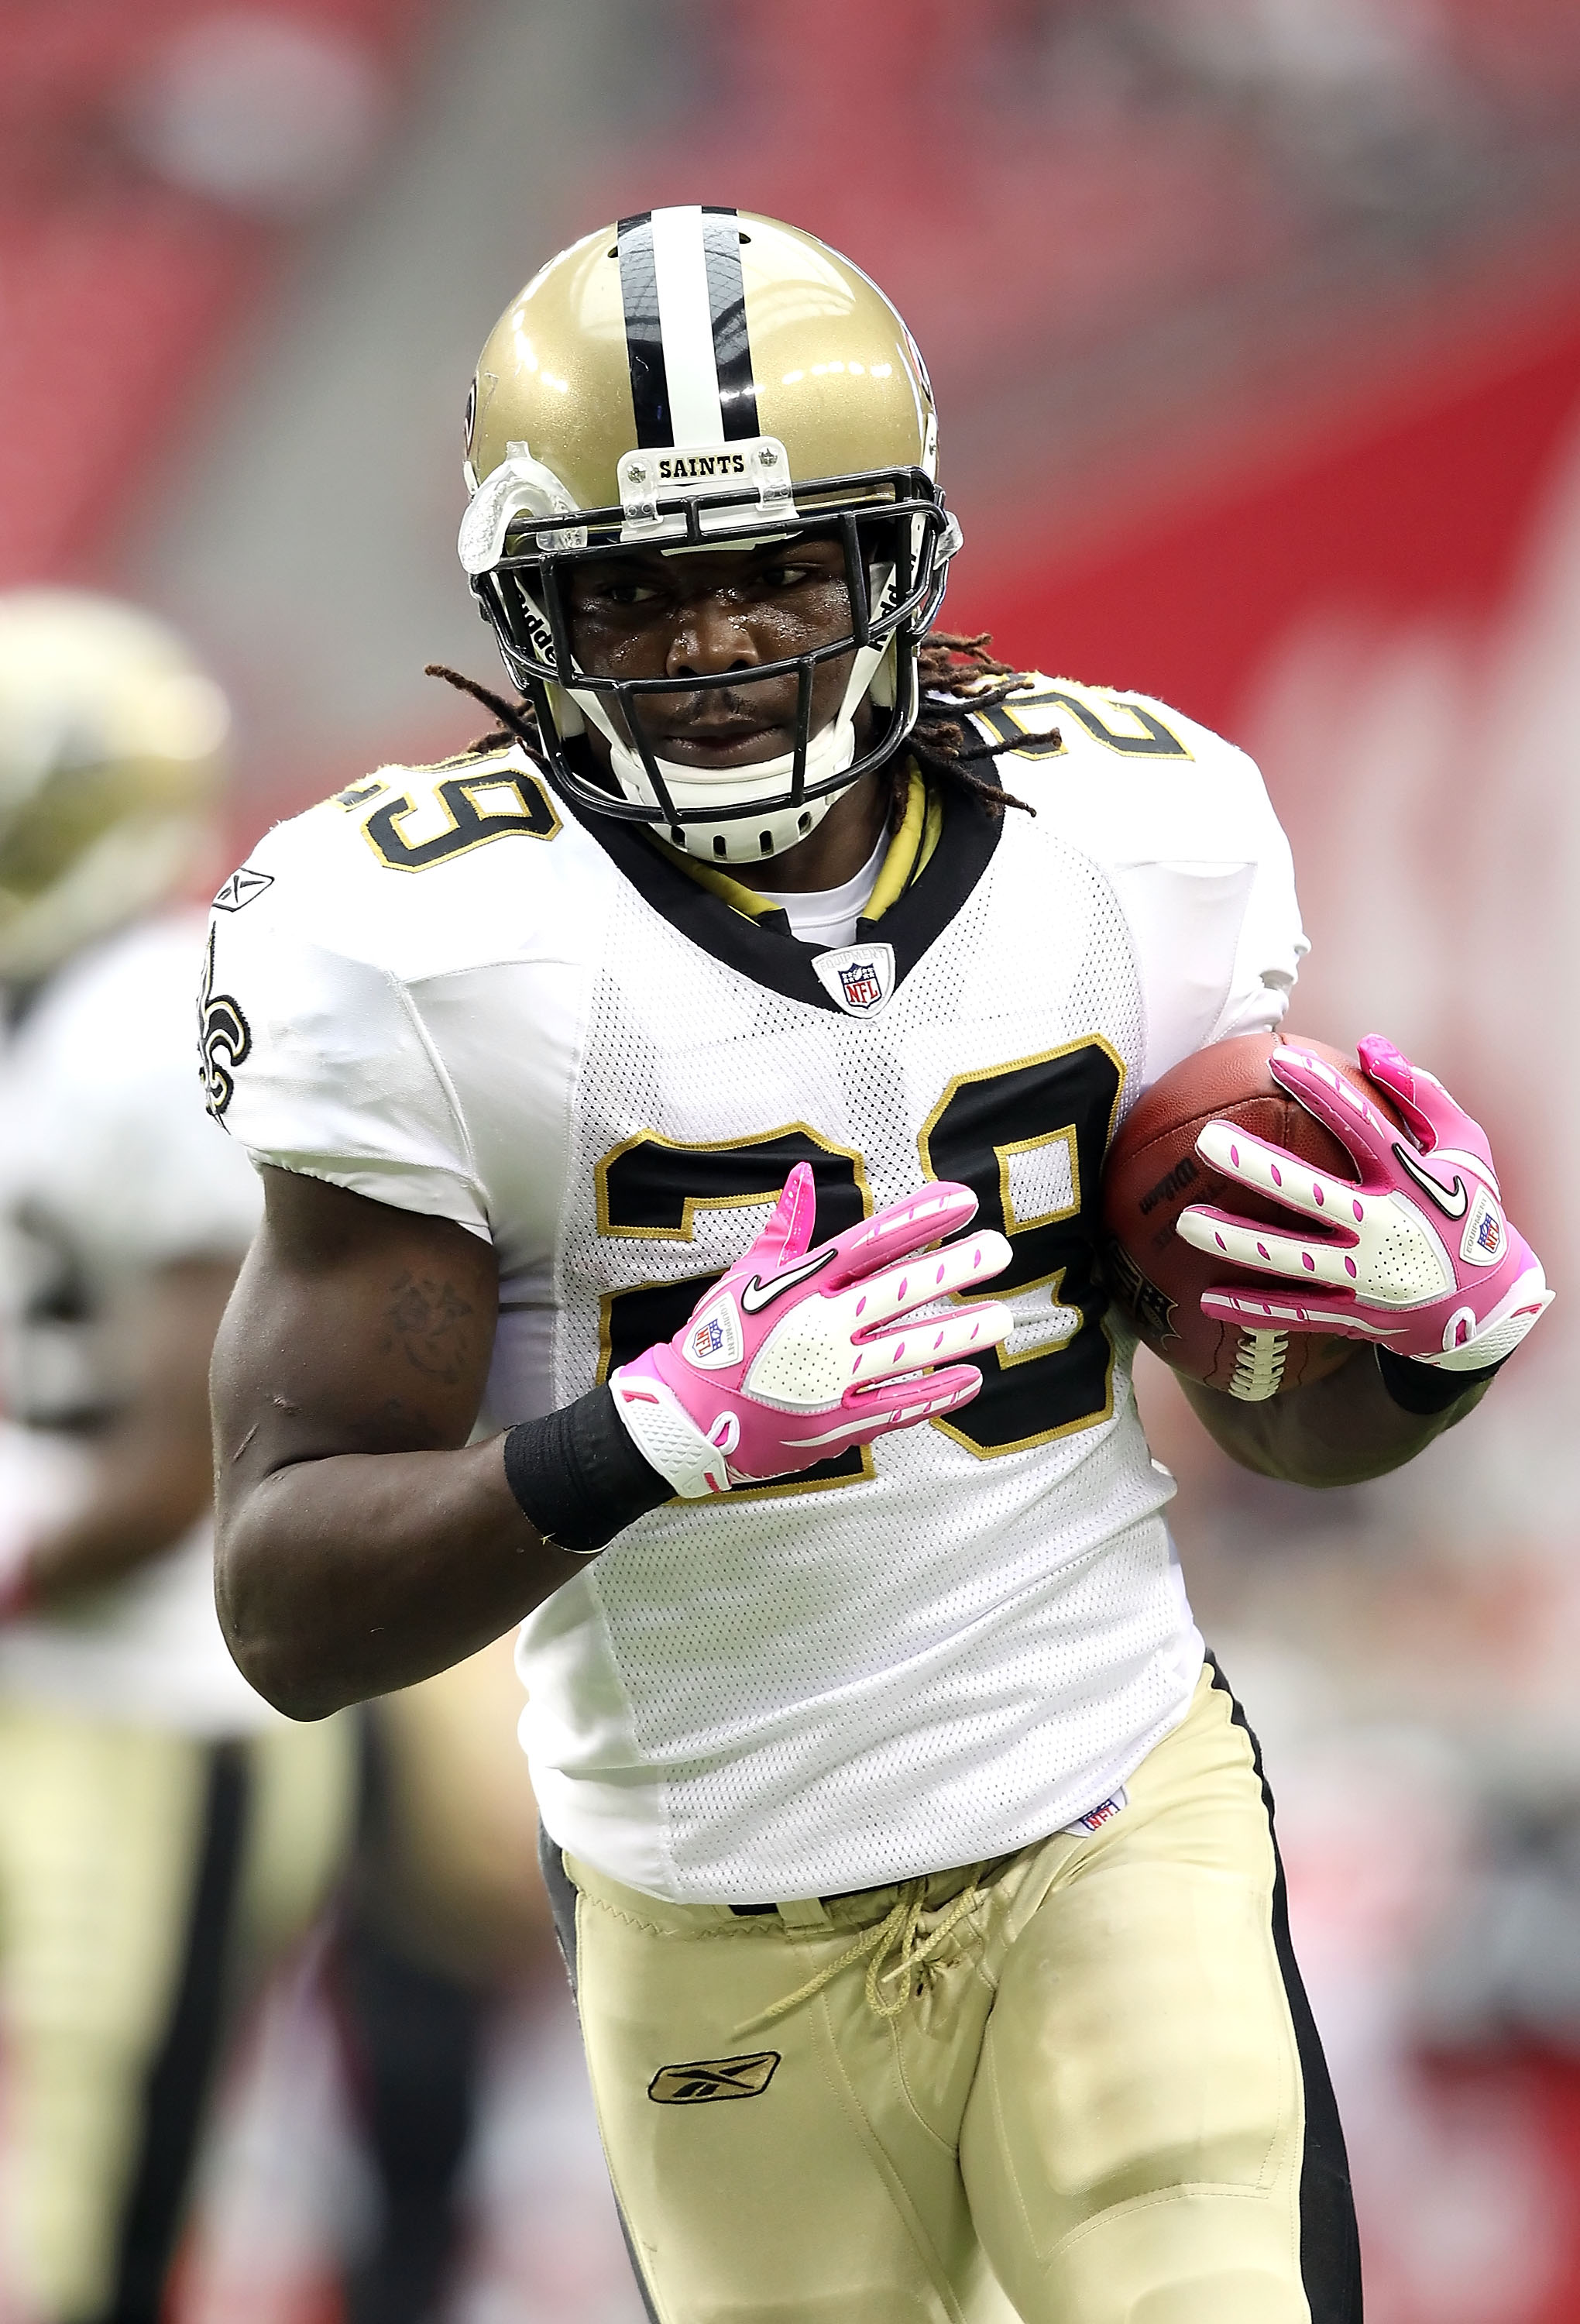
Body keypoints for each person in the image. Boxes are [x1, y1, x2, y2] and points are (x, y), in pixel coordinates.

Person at [203, 209, 1551, 2323]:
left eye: (781, 569)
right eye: (645, 594)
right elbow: (289, 1604)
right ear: (528, 612)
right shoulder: (422, 951)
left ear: (902, 558)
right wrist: (647, 1436)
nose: (727, 646)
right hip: (705, 1901)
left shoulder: (1143, 839)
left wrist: (1427, 1349)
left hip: (1112, 1811)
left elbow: (1279, 1435)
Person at [0, 590, 353, 2324]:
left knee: (110, 2208)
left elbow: (192, 1449)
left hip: (157, 1699)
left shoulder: (148, 1021)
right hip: (37, 1677)